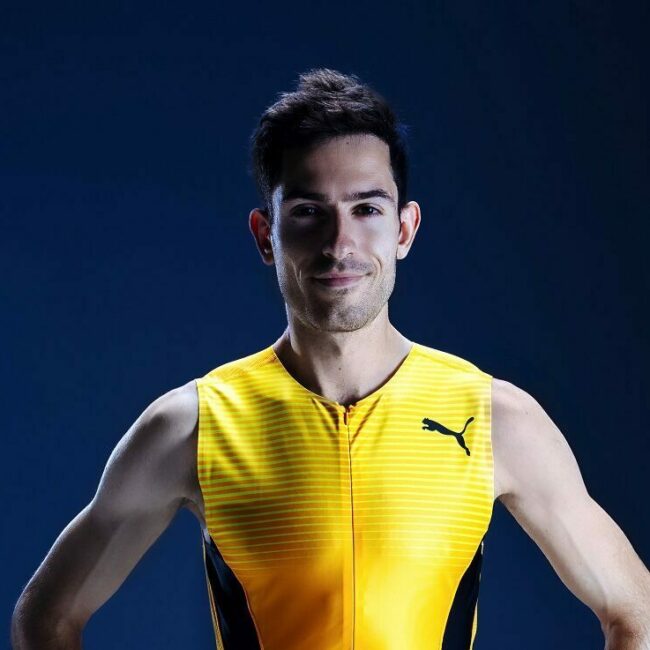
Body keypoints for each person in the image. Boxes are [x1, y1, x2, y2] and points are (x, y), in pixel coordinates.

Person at [11, 68, 650, 650]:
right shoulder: (196, 425)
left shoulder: (493, 417)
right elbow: (45, 619)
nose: (339, 243)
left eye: (366, 209)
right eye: (309, 212)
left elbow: (635, 611)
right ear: (266, 235)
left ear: (404, 229)